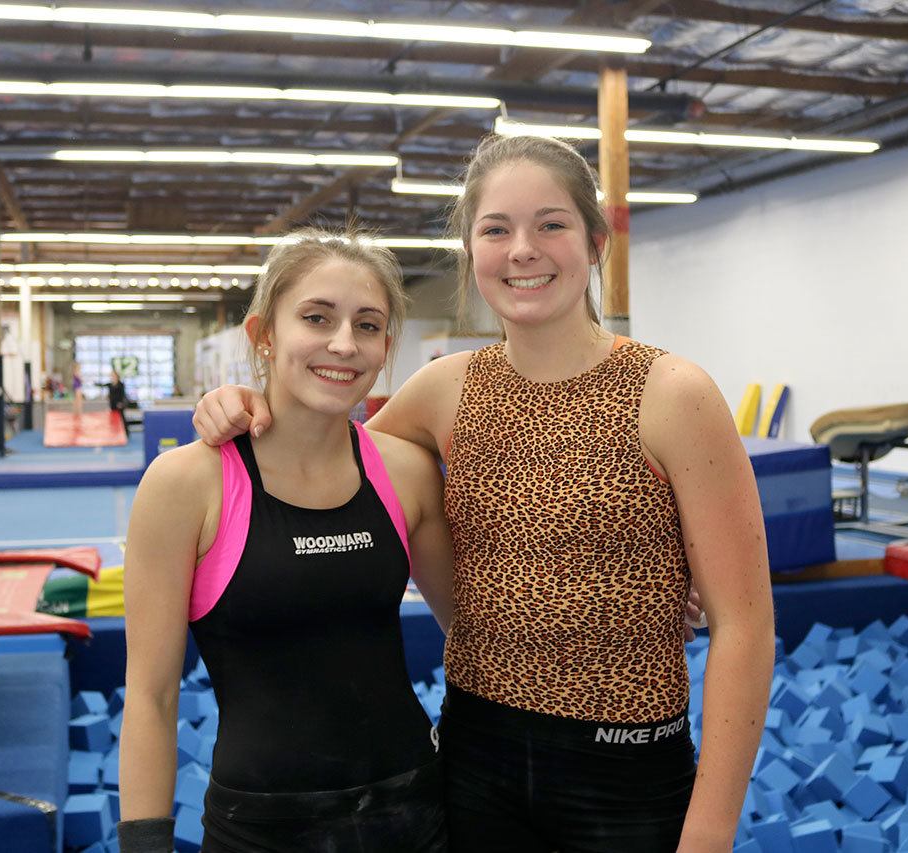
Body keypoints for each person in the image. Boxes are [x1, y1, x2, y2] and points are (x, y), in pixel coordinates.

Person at [192, 134, 776, 852]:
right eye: (496, 229)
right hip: (477, 755)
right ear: (471, 251)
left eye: (551, 224)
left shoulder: (672, 394)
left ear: (594, 243)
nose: (522, 249)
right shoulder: (447, 390)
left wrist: (710, 832)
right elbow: (326, 439)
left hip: (625, 761)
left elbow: (745, 626)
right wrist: (242, 404)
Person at [118, 230, 453, 853]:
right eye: (316, 318)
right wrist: (143, 845)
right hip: (262, 829)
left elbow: (479, 629)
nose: (344, 344)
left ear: (386, 347)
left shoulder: (404, 472)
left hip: (415, 812)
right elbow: (153, 695)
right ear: (263, 335)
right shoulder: (187, 485)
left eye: (369, 325)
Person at [97, 369, 130, 436]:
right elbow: (102, 385)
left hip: (119, 405)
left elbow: (123, 395)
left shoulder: (121, 385)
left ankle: (126, 433)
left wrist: (121, 403)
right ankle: (115, 433)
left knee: (122, 419)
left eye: (113, 375)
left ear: (117, 376)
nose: (112, 377)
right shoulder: (110, 384)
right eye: (111, 375)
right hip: (112, 404)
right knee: (113, 419)